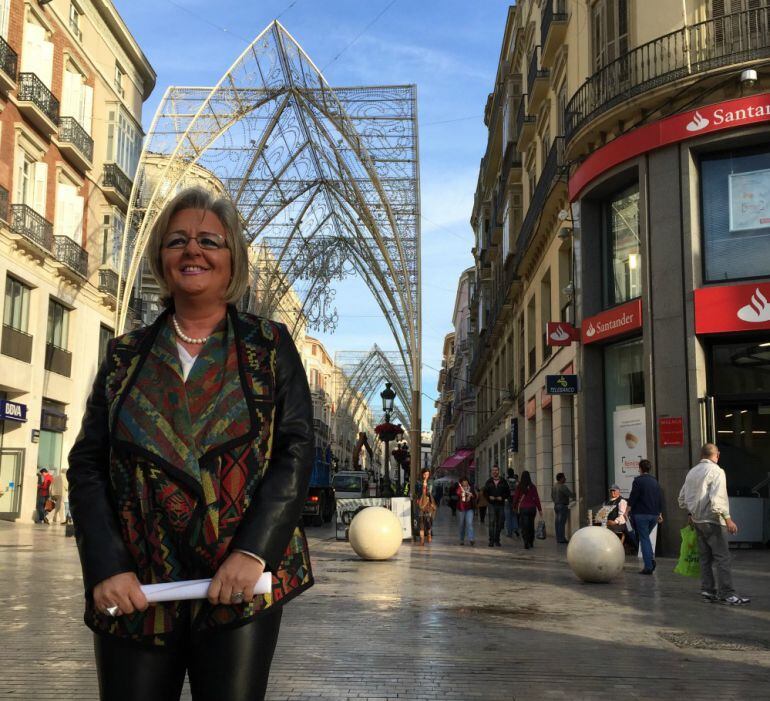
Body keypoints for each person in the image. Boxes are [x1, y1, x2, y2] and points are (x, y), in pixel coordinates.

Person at [67, 187, 315, 701]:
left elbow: (294, 450)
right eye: (177, 240)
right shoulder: (124, 356)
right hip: (137, 587)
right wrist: (107, 565)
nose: (193, 251)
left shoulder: (268, 346)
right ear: (161, 257)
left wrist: (254, 552)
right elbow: (87, 464)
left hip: (241, 584)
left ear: (233, 261)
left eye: (209, 240)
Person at [678, 444, 750, 605]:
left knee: (705, 558)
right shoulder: (717, 471)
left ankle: (707, 590)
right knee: (722, 558)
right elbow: (718, 498)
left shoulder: (692, 472)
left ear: (701, 455)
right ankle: (727, 594)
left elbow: (682, 498)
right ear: (717, 455)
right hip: (713, 521)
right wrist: (728, 518)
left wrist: (691, 513)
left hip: (698, 521)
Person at [628, 459, 663, 575]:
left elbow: (633, 496)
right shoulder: (655, 481)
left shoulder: (638, 481)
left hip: (641, 514)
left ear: (640, 468)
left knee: (644, 539)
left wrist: (627, 510)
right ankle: (650, 560)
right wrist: (660, 513)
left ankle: (648, 566)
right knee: (645, 538)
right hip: (654, 515)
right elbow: (659, 498)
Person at [511, 470, 543, 549]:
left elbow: (516, 497)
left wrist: (514, 506)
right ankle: (531, 541)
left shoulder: (519, 486)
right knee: (531, 525)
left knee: (524, 526)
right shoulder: (532, 487)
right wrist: (540, 509)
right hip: (532, 508)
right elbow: (536, 498)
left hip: (523, 508)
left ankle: (526, 541)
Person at [483, 464, 510, 547]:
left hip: (500, 505)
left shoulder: (503, 481)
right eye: (493, 470)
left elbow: (507, 492)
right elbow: (485, 492)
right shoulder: (488, 482)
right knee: (491, 522)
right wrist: (489, 497)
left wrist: (502, 497)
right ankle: (491, 540)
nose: (495, 472)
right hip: (491, 505)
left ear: (499, 471)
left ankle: (497, 540)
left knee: (499, 522)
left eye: (496, 470)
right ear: (491, 472)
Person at [551, 473, 575, 544]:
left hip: (556, 505)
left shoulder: (554, 486)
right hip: (562, 506)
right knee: (561, 523)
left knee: (557, 523)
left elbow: (552, 496)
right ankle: (561, 539)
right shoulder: (562, 487)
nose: (565, 479)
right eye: (564, 477)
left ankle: (559, 538)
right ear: (561, 478)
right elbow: (570, 494)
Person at [416, 468, 437, 545]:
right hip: (421, 503)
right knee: (421, 520)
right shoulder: (418, 482)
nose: (426, 476)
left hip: (429, 503)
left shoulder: (431, 482)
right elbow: (416, 492)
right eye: (424, 474)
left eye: (427, 474)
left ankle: (428, 533)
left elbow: (433, 492)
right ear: (422, 474)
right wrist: (418, 497)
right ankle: (422, 538)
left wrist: (426, 487)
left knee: (428, 520)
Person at [456, 477, 476, 546]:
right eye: (463, 483)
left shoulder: (471, 489)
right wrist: (463, 491)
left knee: (469, 524)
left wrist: (471, 495)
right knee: (462, 525)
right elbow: (458, 494)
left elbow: (475, 496)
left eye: (466, 483)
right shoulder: (459, 489)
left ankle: (471, 539)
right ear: (461, 483)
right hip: (461, 509)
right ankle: (461, 539)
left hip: (469, 509)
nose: (465, 484)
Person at [504, 468, 520, 538]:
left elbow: (504, 489)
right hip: (514, 500)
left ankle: (509, 532)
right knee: (514, 515)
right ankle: (516, 528)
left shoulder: (506, 481)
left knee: (508, 516)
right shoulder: (517, 481)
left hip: (507, 499)